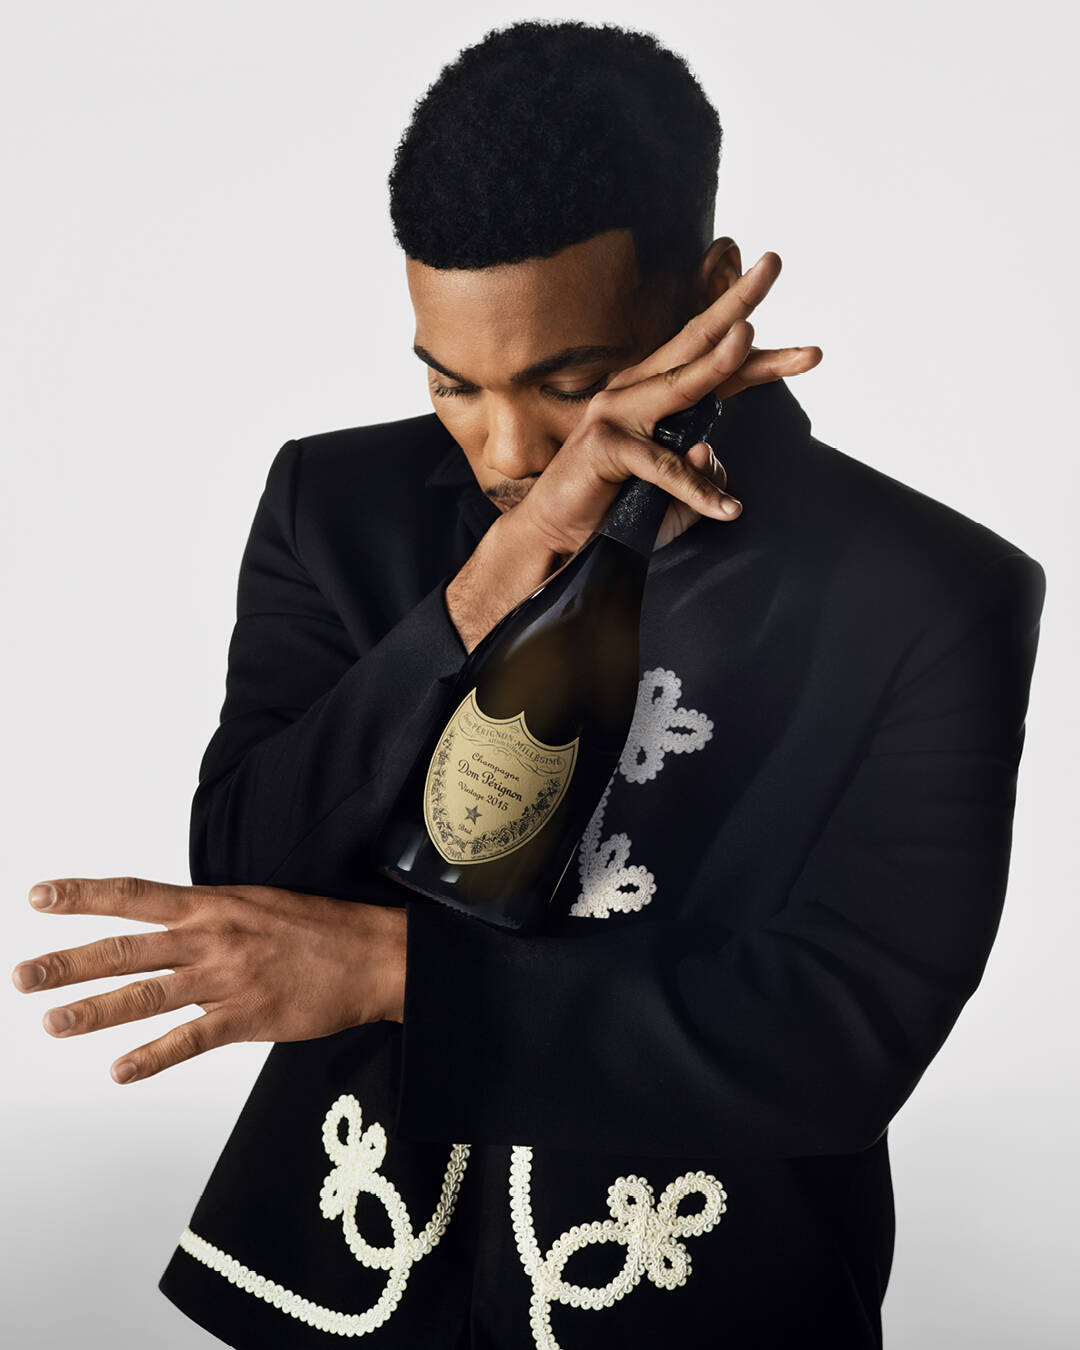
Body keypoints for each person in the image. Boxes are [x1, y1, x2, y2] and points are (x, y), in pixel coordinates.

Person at [12, 19, 1045, 1350]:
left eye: (568, 384)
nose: (503, 446)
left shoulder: (931, 589)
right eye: (452, 384)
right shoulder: (338, 505)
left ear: (711, 294)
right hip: (338, 1285)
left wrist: (395, 970)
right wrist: (501, 571)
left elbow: (842, 1043)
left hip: (706, 1301)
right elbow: (255, 865)